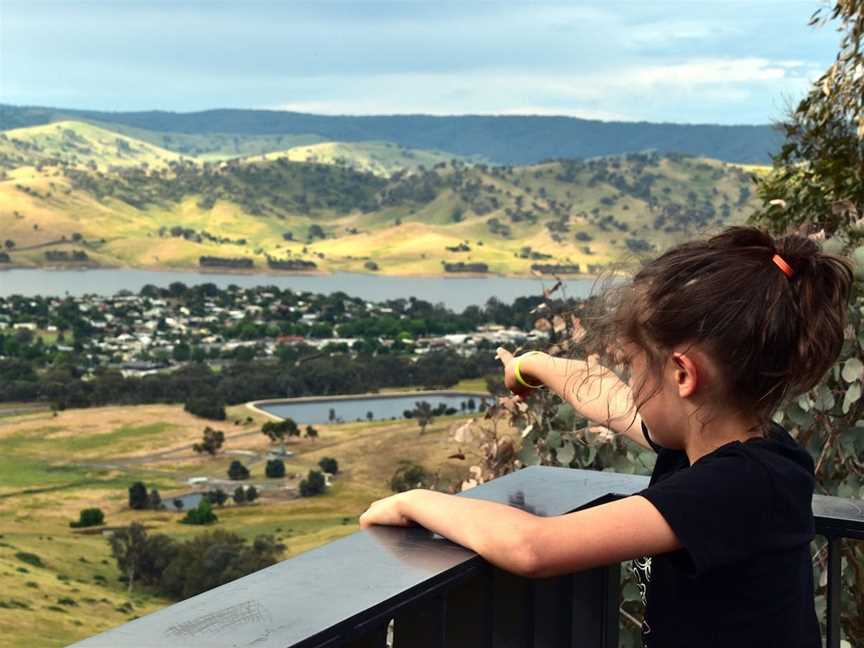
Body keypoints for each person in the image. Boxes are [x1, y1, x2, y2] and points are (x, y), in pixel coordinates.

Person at [359, 226, 853, 648]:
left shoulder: (739, 488)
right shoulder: (734, 446)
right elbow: (611, 400)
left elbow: (534, 547)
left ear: (683, 375)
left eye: (635, 367)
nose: (630, 385)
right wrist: (533, 366)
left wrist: (414, 500)